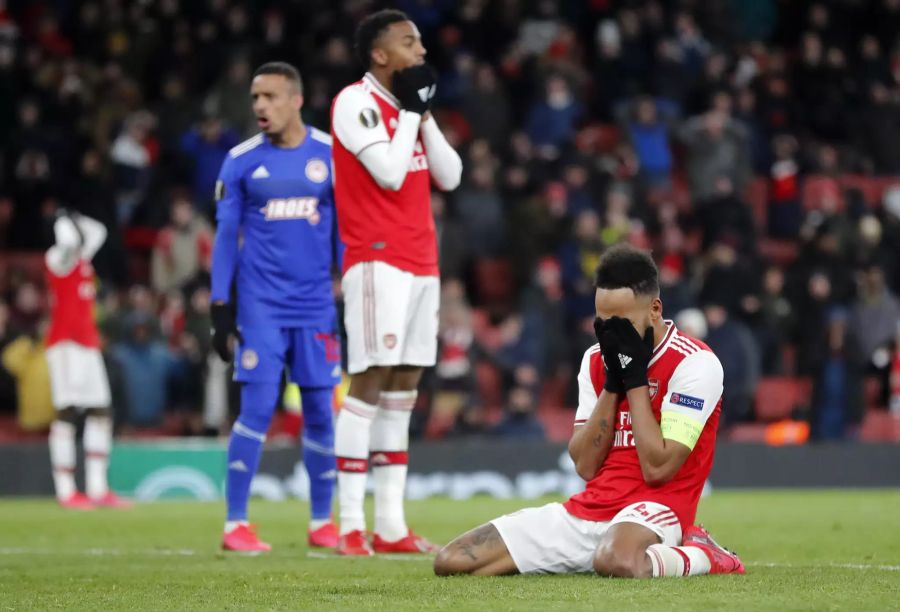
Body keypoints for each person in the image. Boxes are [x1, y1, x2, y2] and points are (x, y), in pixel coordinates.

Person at [433, 244, 744, 578]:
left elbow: (658, 469)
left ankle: (703, 554)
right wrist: (613, 382)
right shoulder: (595, 359)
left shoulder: (695, 363)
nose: (611, 332)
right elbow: (585, 464)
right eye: (602, 321)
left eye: (622, 322)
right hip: (590, 508)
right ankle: (599, 554)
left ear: (655, 309)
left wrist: (635, 378)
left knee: (618, 561)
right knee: (455, 560)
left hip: (656, 509)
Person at [329, 9, 462, 555]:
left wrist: (422, 114)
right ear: (380, 55)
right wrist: (412, 110)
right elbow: (385, 170)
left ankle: (390, 526)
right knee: (369, 383)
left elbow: (450, 176)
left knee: (403, 390)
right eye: (410, 43)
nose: (422, 50)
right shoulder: (353, 103)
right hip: (376, 260)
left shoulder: (412, 107)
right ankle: (349, 526)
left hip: (422, 261)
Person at [211, 62, 343, 553]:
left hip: (314, 309)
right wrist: (220, 305)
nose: (260, 106)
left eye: (269, 96)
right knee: (258, 407)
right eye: (254, 98)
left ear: (295, 99)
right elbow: (226, 237)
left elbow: (345, 233)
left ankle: (320, 521)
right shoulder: (241, 161)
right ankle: (235, 524)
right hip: (261, 308)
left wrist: (350, 286)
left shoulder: (330, 155)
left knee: (319, 413)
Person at [45, 211, 131, 510]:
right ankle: (66, 490)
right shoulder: (59, 258)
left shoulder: (83, 259)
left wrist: (75, 216)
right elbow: (69, 241)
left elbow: (101, 230)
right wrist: (63, 222)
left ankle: (97, 488)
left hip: (88, 345)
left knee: (101, 412)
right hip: (65, 345)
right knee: (67, 412)